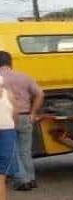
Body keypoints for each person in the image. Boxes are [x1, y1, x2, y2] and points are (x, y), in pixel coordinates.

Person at [0, 51, 44, 191]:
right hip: (26, 116)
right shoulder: (24, 76)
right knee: (25, 150)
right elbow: (40, 94)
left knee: (12, 150)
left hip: (7, 118)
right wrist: (33, 113)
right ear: (10, 62)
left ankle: (22, 180)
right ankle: (31, 178)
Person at [0, 74, 30, 200]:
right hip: (5, 132)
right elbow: (15, 114)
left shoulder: (7, 92)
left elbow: (15, 114)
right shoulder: (7, 92)